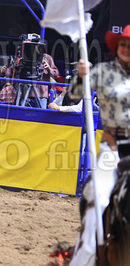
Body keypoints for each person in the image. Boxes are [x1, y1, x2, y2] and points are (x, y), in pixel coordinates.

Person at [68, 24, 130, 265]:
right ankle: (85, 258)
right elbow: (74, 93)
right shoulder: (104, 72)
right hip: (112, 152)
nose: (126, 48)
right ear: (117, 47)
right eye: (123, 44)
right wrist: (81, 76)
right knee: (98, 197)